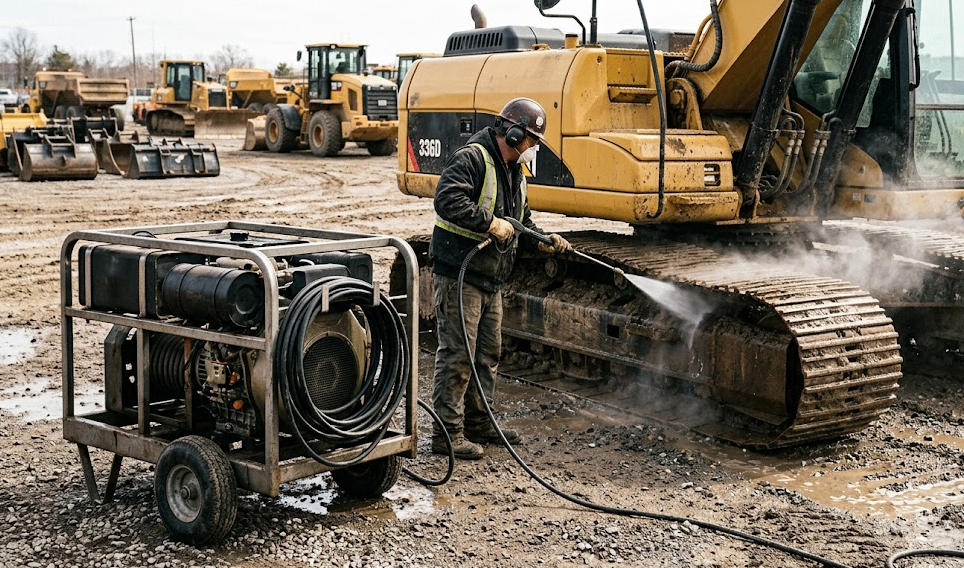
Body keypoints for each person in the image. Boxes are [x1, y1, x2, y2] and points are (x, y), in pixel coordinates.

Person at [429, 97, 572, 460]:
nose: (534, 149)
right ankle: (447, 434)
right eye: (532, 141)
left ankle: (480, 423)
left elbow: (520, 220)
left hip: (490, 278)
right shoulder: (473, 158)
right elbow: (446, 199)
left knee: (488, 354)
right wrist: (490, 223)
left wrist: (543, 241)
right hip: (460, 273)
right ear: (512, 134)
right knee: (458, 354)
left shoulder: (513, 171)